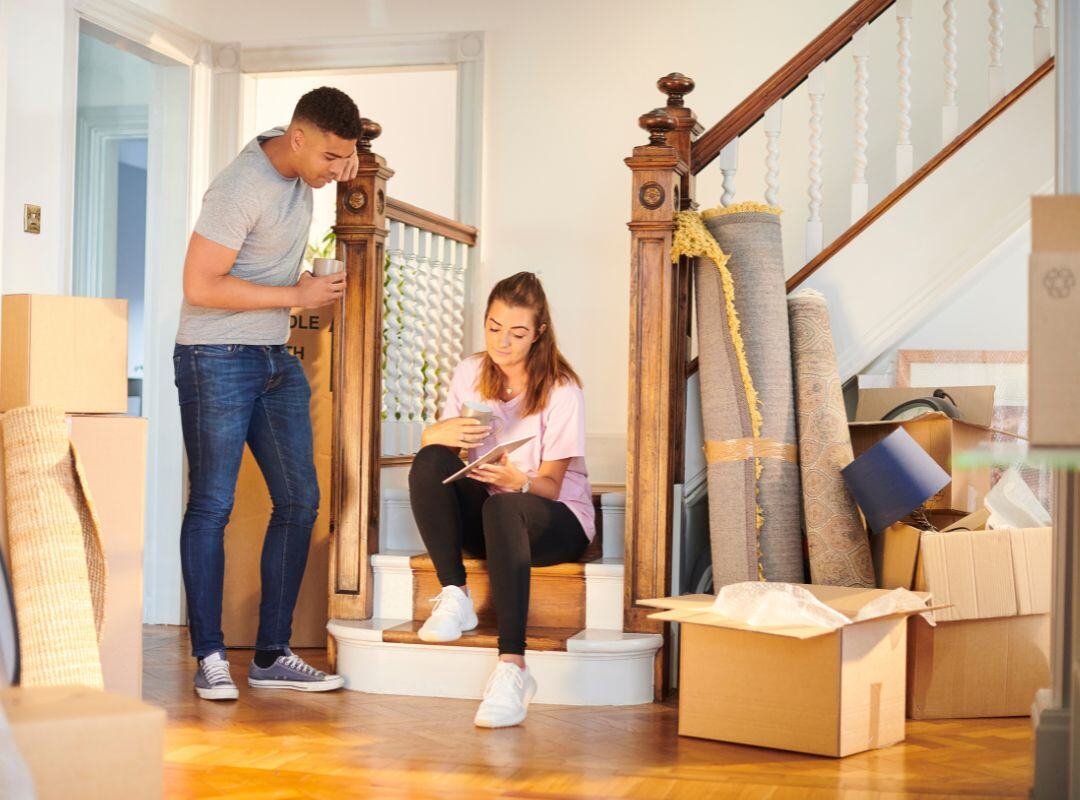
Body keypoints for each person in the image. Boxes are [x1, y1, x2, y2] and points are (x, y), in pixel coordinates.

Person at [175, 87, 361, 700]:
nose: (338, 173)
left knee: (301, 501)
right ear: (298, 138)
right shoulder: (239, 188)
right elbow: (200, 285)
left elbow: (328, 160)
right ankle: (209, 657)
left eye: (347, 159)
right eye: (332, 158)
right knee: (212, 506)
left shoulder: (303, 166)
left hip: (272, 359)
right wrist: (297, 296)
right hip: (214, 357)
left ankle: (271, 654)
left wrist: (348, 160)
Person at [408, 272, 594, 728]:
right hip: (493, 520)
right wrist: (434, 435)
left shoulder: (562, 390)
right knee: (430, 459)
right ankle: (455, 592)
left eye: (517, 333)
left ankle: (513, 666)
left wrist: (519, 481)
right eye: (494, 328)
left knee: (505, 504)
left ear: (539, 333)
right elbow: (443, 458)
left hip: (554, 518)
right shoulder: (470, 372)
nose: (503, 342)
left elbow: (551, 484)